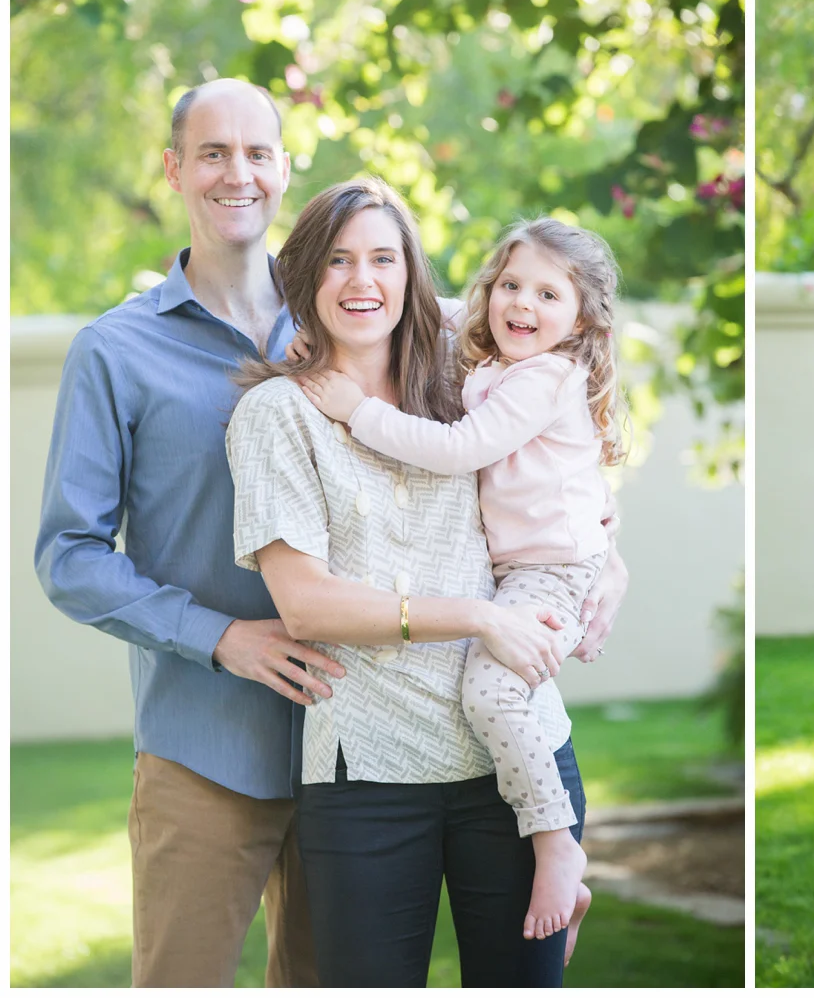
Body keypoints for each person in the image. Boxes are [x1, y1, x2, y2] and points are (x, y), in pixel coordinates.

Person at [228, 177, 618, 986]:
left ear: (412, 275)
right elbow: (305, 605)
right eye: (337, 262)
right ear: (304, 277)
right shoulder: (279, 415)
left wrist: (611, 558)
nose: (362, 281)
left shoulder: (468, 375)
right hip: (368, 767)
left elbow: (566, 472)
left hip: (514, 755)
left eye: (382, 258)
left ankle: (561, 856)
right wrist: (478, 616)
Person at [35, 78, 334, 987]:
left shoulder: (347, 327)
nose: (235, 173)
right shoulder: (114, 352)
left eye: (255, 153)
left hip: (353, 754)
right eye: (212, 152)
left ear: (285, 170)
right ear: (174, 169)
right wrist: (223, 639)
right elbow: (69, 555)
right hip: (203, 752)